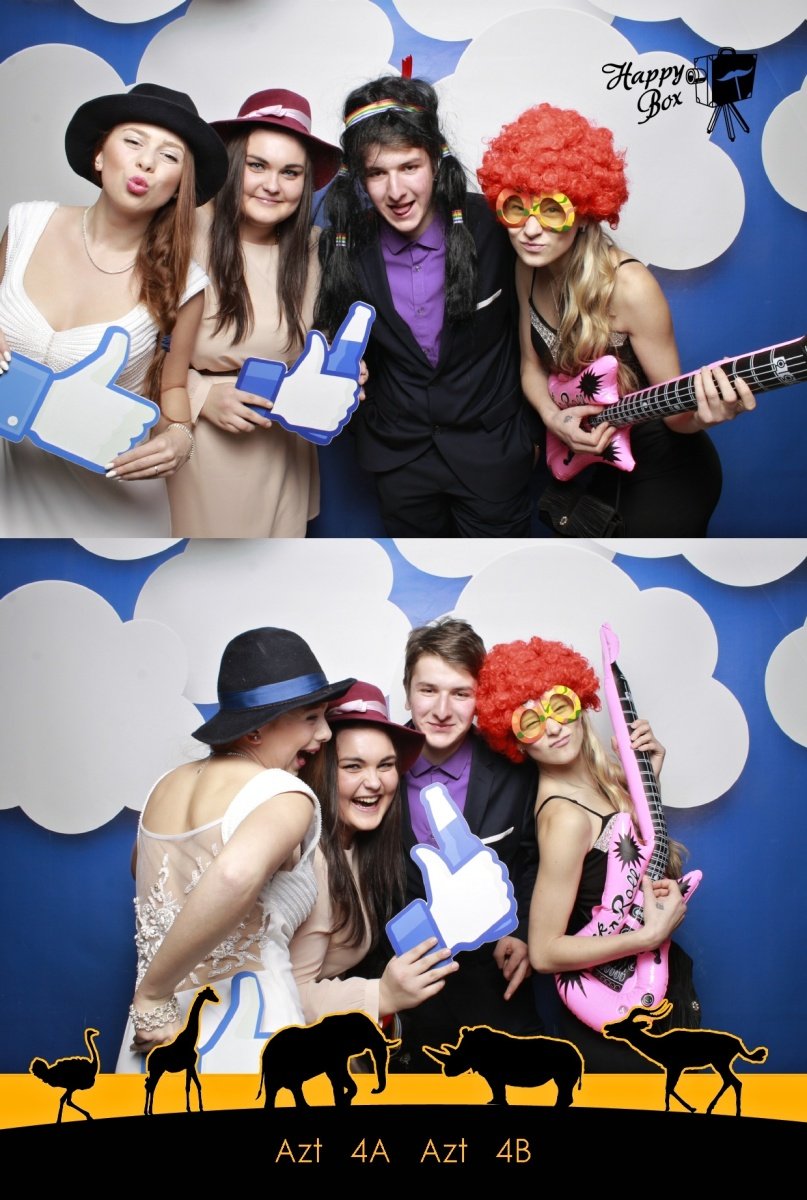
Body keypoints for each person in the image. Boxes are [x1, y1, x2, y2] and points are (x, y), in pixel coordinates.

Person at [477, 104, 756, 536]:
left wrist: (709, 413)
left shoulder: (630, 287)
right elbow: (531, 366)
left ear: (585, 211)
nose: (530, 229)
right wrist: (552, 417)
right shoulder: (527, 267)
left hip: (667, 475)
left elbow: (677, 416)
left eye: (552, 210)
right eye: (516, 207)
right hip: (598, 470)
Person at [116, 627, 354, 1074]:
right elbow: (233, 875)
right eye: (311, 717)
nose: (324, 733)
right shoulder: (282, 794)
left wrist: (153, 999)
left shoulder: (163, 788)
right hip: (247, 1030)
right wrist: (152, 992)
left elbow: (142, 871)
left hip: (154, 1036)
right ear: (258, 728)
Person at [0, 83, 228, 536]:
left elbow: (173, 385)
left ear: (179, 186)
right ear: (99, 156)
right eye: (134, 141)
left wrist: (180, 438)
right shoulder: (25, 223)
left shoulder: (186, 284)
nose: (147, 162)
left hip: (108, 500)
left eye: (169, 156)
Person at [315, 75, 537, 538]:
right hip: (399, 462)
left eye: (409, 166)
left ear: (435, 159)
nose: (396, 191)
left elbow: (541, 325)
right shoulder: (344, 245)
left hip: (494, 456)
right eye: (377, 173)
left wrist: (531, 437)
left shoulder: (495, 225)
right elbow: (338, 338)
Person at [474, 635, 689, 1070]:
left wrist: (647, 783)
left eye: (558, 706)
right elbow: (544, 952)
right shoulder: (565, 818)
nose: (553, 727)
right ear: (517, 742)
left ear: (579, 702)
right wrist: (647, 937)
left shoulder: (601, 783)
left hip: (656, 995)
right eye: (531, 721)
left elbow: (629, 876)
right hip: (617, 1020)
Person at [167, 88, 343, 537]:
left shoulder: (315, 249)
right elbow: (130, 342)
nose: (272, 185)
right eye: (257, 165)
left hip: (286, 447)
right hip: (205, 443)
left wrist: (339, 372)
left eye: (290, 172)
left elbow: (315, 341)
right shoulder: (183, 229)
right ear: (232, 164)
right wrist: (201, 396)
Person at [384, 618, 542, 1071]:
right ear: (407, 691)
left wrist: (522, 931)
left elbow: (535, 856)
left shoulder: (516, 768)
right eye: (428, 690)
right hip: (398, 991)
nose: (441, 709)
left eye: (460, 693)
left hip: (494, 994)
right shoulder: (372, 763)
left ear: (480, 698)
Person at [290, 681, 457, 1025]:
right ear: (320, 769)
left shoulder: (365, 848)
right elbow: (283, 995)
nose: (375, 782)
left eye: (385, 765)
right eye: (353, 766)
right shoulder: (308, 861)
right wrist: (381, 995)